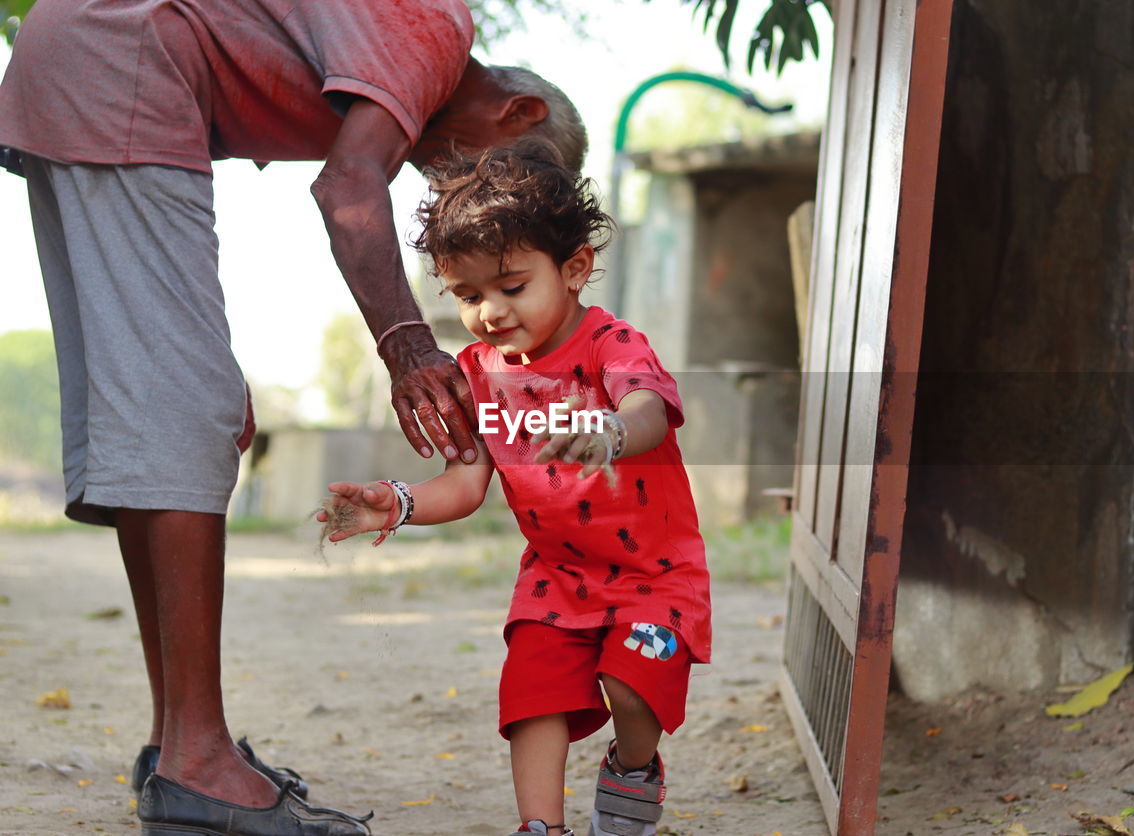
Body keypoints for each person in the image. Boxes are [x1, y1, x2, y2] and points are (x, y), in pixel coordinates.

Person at [0, 1, 584, 833]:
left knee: (158, 402)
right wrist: (409, 346)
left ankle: (179, 746)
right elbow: (348, 187)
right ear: (517, 113)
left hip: (87, 73)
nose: (472, 201)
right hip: (118, 68)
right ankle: (198, 765)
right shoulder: (435, 30)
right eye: (493, 179)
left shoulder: (401, 71)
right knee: (184, 405)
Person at [317, 140, 712, 836]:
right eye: (469, 296)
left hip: (654, 574)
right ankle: (541, 826)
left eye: (511, 286)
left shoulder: (613, 345)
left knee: (631, 683)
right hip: (554, 579)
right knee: (531, 697)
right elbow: (466, 483)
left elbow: (648, 408)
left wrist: (611, 432)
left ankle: (632, 772)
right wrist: (399, 502)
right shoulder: (476, 372)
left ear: (575, 268)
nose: (491, 312)